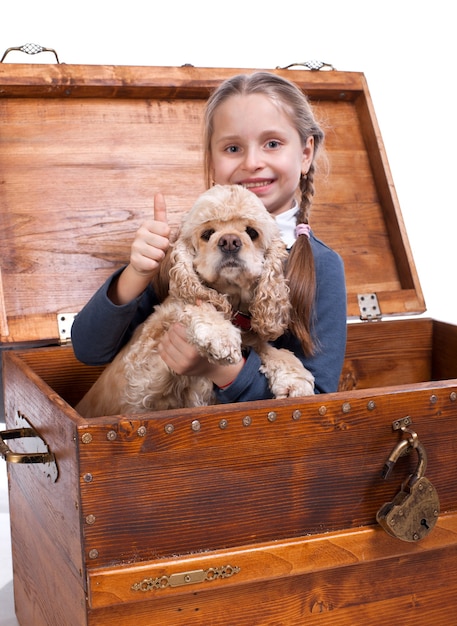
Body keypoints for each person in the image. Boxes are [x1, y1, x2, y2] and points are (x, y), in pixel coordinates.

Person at [71, 72, 347, 398]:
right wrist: (138, 273)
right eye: (233, 147)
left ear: (305, 153)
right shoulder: (188, 247)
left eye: (272, 144)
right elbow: (89, 350)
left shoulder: (321, 266)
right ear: (212, 162)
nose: (253, 162)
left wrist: (218, 368)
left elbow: (316, 408)